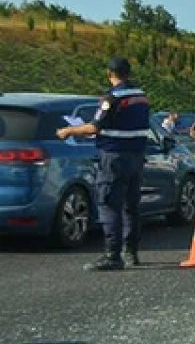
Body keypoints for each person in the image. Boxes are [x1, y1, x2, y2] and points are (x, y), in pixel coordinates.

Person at [57, 57, 151, 271]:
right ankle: (131, 252)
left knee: (109, 204)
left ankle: (112, 255)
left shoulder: (112, 98)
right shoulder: (141, 96)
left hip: (114, 156)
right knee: (131, 206)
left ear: (110, 73)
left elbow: (94, 128)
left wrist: (68, 131)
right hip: (136, 156)